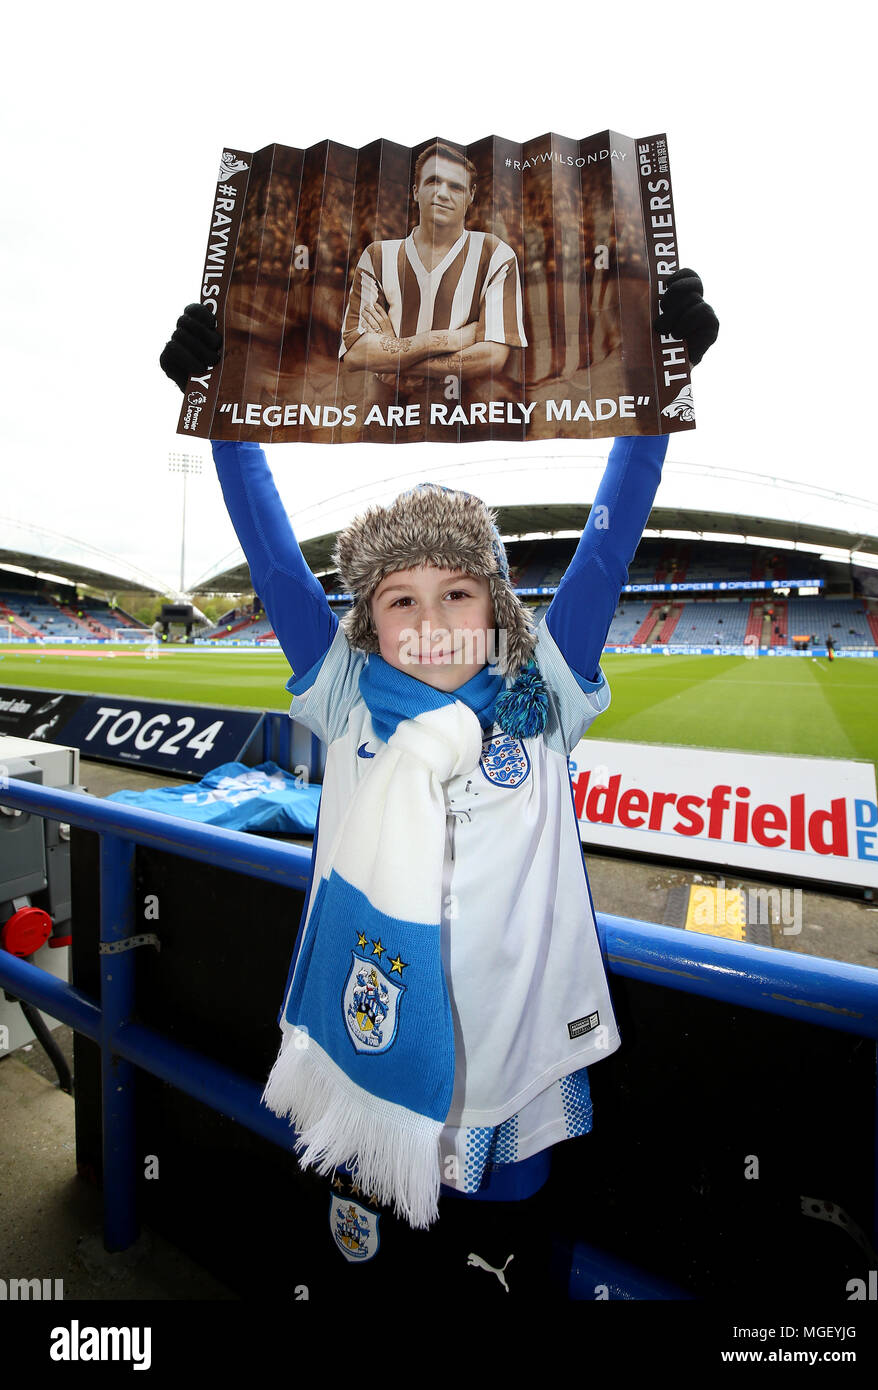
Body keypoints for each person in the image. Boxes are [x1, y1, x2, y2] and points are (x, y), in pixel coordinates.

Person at [160, 269, 718, 1293]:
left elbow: (609, 535)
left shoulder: (543, 691)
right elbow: (276, 557)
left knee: (500, 1281)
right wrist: (221, 410)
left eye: (458, 589)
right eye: (400, 597)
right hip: (364, 1067)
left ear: (496, 604)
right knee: (370, 1282)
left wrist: (658, 391)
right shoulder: (343, 697)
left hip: (508, 1074)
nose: (429, 619)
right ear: (367, 619)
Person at [338, 142, 527, 399]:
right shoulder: (378, 256)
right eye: (433, 182)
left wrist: (393, 362)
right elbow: (356, 354)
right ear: (416, 191)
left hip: (466, 411)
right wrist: (449, 339)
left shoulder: (495, 254)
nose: (442, 193)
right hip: (390, 411)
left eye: (456, 187)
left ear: (471, 195)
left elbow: (492, 357)